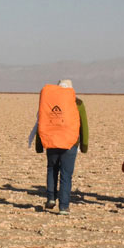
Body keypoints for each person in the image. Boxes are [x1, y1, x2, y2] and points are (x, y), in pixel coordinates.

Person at [28, 79, 89, 215]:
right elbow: (84, 125)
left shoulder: (48, 102)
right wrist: (84, 145)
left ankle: (50, 198)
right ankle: (64, 206)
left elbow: (42, 123)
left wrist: (39, 145)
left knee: (52, 169)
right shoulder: (77, 103)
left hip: (51, 141)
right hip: (70, 143)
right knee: (66, 175)